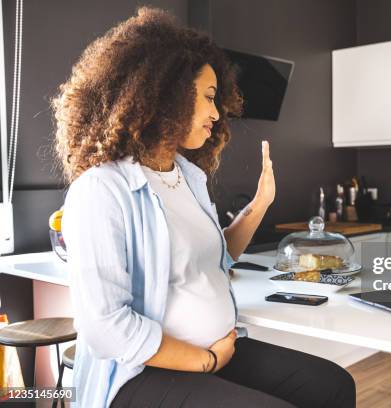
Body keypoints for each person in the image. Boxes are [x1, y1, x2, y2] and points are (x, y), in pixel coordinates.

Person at [54, 7, 355, 408]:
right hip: (140, 373)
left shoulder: (187, 177)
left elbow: (216, 258)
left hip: (217, 350)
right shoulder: (102, 189)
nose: (217, 113)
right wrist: (205, 360)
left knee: (333, 385)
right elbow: (105, 328)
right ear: (163, 94)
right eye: (209, 98)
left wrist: (260, 204)